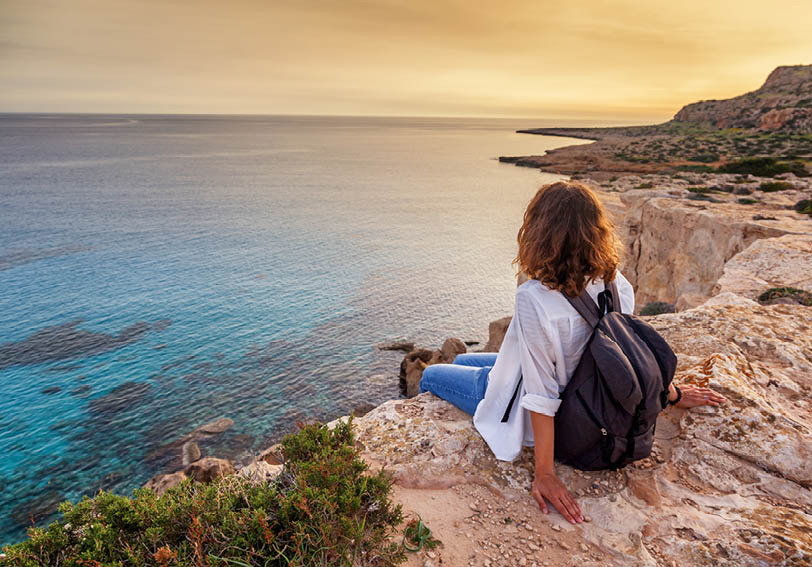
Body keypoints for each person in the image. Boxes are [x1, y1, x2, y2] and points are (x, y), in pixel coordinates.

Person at [419, 180, 726, 525]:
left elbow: (541, 393)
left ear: (538, 233)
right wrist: (672, 393)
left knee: (431, 374)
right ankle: (473, 373)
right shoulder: (616, 283)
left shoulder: (534, 297)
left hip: (561, 414)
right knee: (463, 359)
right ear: (596, 232)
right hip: (588, 391)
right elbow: (628, 351)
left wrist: (545, 472)